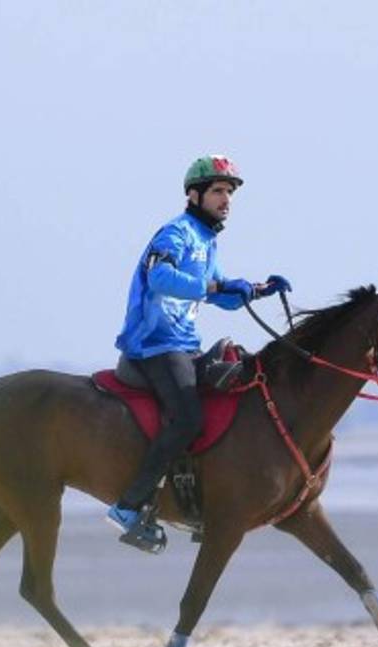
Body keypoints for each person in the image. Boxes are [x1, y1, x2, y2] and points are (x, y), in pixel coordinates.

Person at [108, 155, 291, 552]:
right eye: (219, 192)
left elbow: (219, 293)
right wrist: (212, 288)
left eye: (229, 193)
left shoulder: (207, 240)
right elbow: (161, 276)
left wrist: (255, 290)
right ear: (195, 194)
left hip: (185, 343)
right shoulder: (176, 233)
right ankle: (129, 505)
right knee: (189, 417)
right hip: (154, 344)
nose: (226, 200)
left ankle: (200, 503)